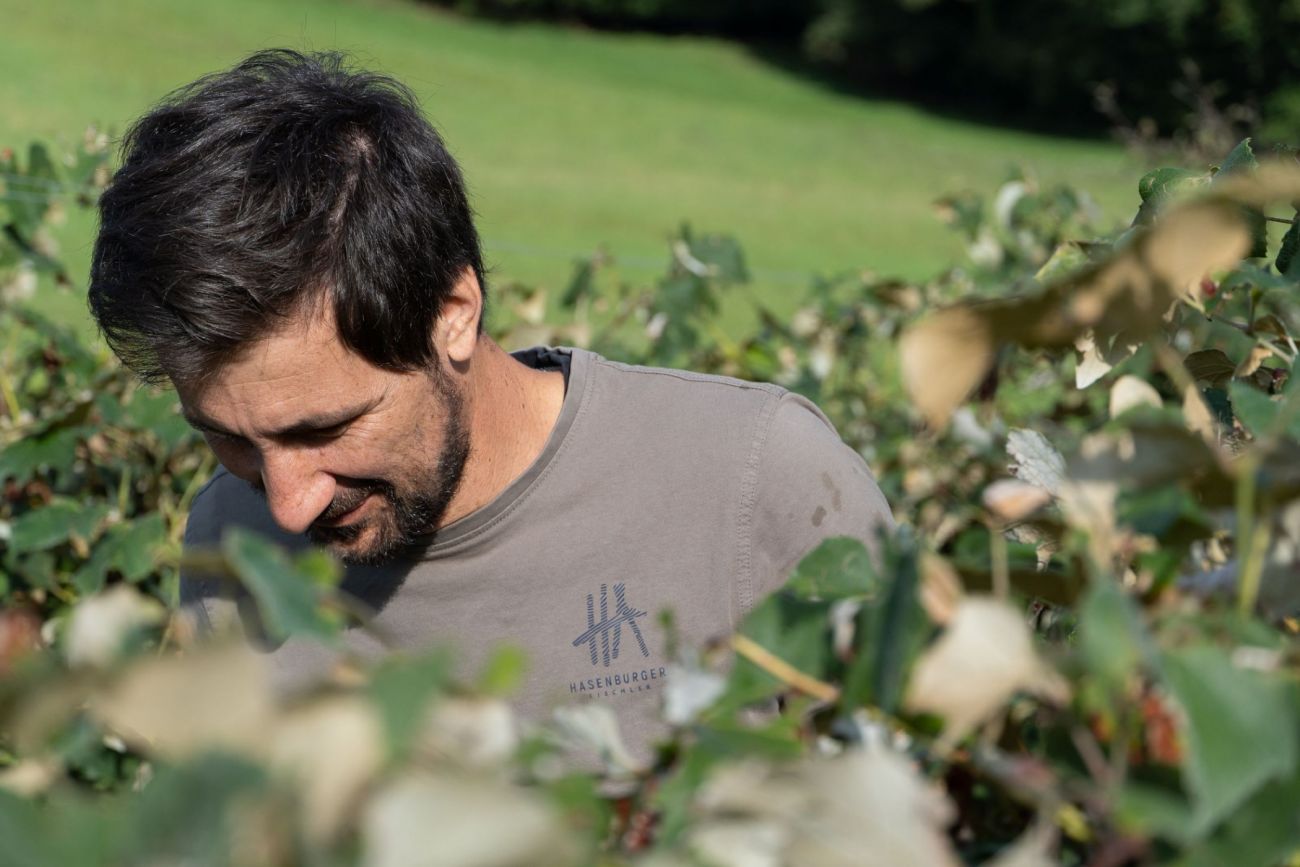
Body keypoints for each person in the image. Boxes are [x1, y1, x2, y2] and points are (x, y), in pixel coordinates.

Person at [88, 49, 894, 759]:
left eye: (326, 427)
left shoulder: (757, 484)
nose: (288, 505)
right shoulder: (231, 540)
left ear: (453, 314)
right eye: (229, 439)